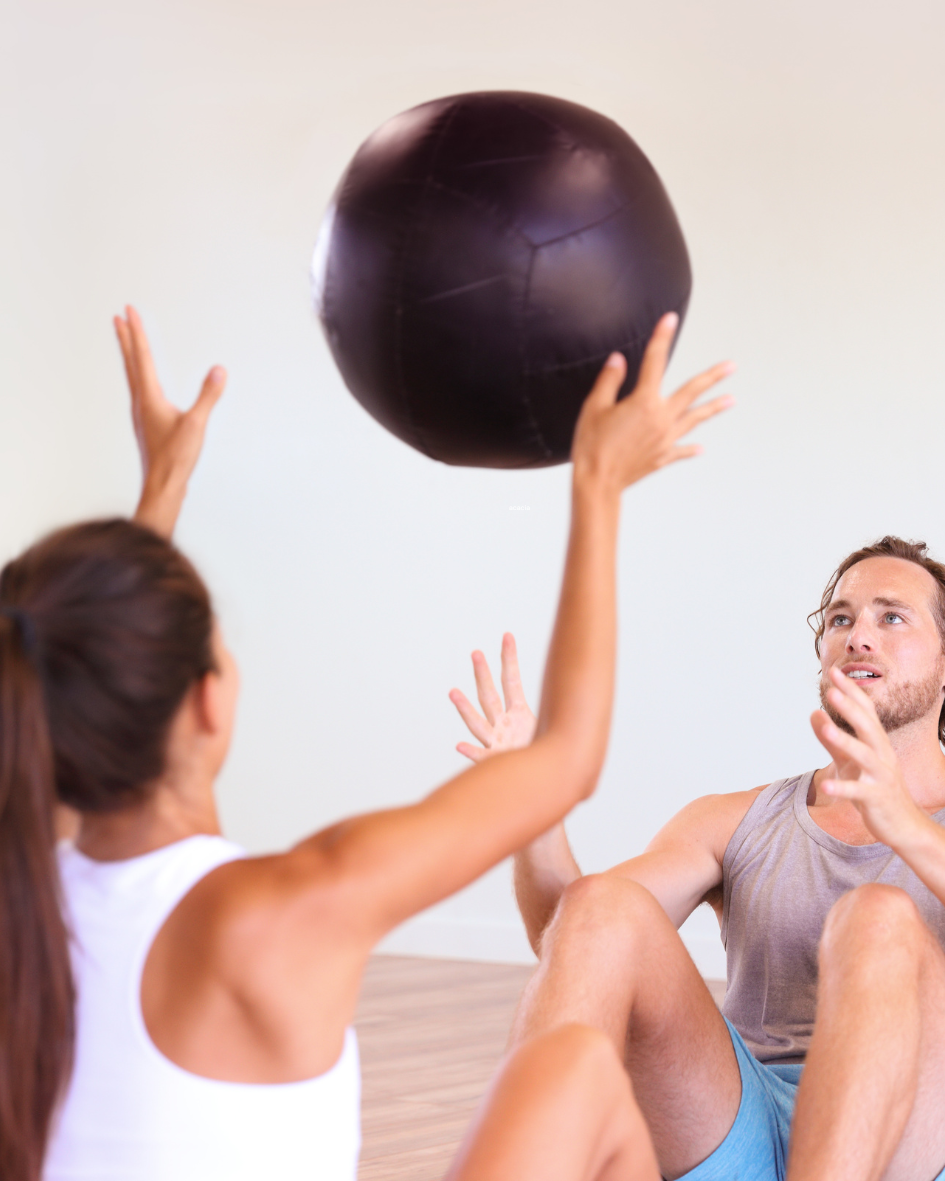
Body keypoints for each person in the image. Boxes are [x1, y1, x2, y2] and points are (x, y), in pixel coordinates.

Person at [0, 307, 732, 1181]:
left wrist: (162, 490)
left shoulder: (26, 902)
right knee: (577, 1072)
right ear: (205, 704)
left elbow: (74, 670)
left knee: (569, 1066)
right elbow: (568, 755)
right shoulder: (281, 910)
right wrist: (597, 484)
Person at [452, 550, 945, 1179]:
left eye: (893, 618)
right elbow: (570, 940)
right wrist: (533, 803)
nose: (859, 637)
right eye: (841, 619)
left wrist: (904, 823)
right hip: (743, 1114)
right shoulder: (736, 820)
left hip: (913, 1135)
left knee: (877, 920)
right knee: (603, 904)